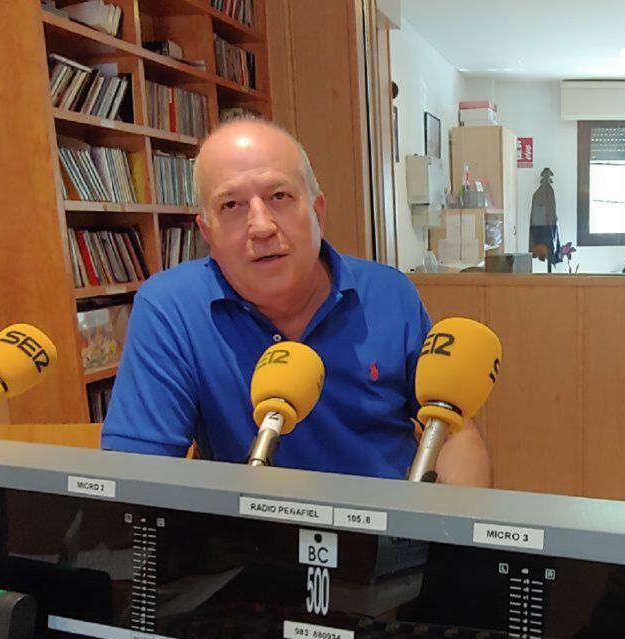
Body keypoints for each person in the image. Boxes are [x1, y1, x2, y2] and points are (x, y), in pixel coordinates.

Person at [101, 117, 491, 486]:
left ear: (318, 211)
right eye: (231, 206)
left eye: (279, 196)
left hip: (390, 541)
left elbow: (455, 433)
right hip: (250, 545)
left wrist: (447, 538)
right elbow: (138, 478)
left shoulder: (390, 293)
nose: (262, 226)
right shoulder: (169, 308)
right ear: (208, 232)